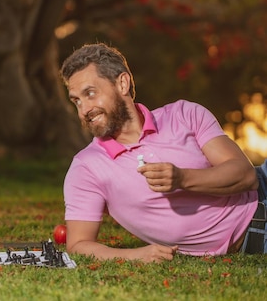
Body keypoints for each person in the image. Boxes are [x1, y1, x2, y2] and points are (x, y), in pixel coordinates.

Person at [59, 43, 267, 263]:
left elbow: (246, 176)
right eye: (77, 101)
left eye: (90, 94)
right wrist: (137, 255)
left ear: (122, 84)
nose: (84, 110)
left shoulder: (185, 114)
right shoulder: (86, 167)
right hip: (254, 239)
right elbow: (78, 245)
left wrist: (182, 178)